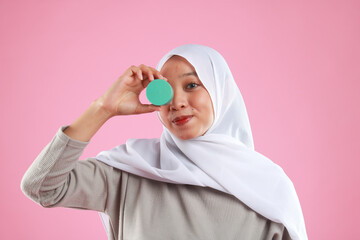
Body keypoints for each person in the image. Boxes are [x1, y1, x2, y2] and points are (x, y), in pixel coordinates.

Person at [21, 44, 307, 240]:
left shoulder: (267, 187)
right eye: (165, 91)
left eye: (192, 85)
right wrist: (103, 108)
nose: (177, 102)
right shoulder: (130, 171)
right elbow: (42, 186)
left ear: (221, 91)